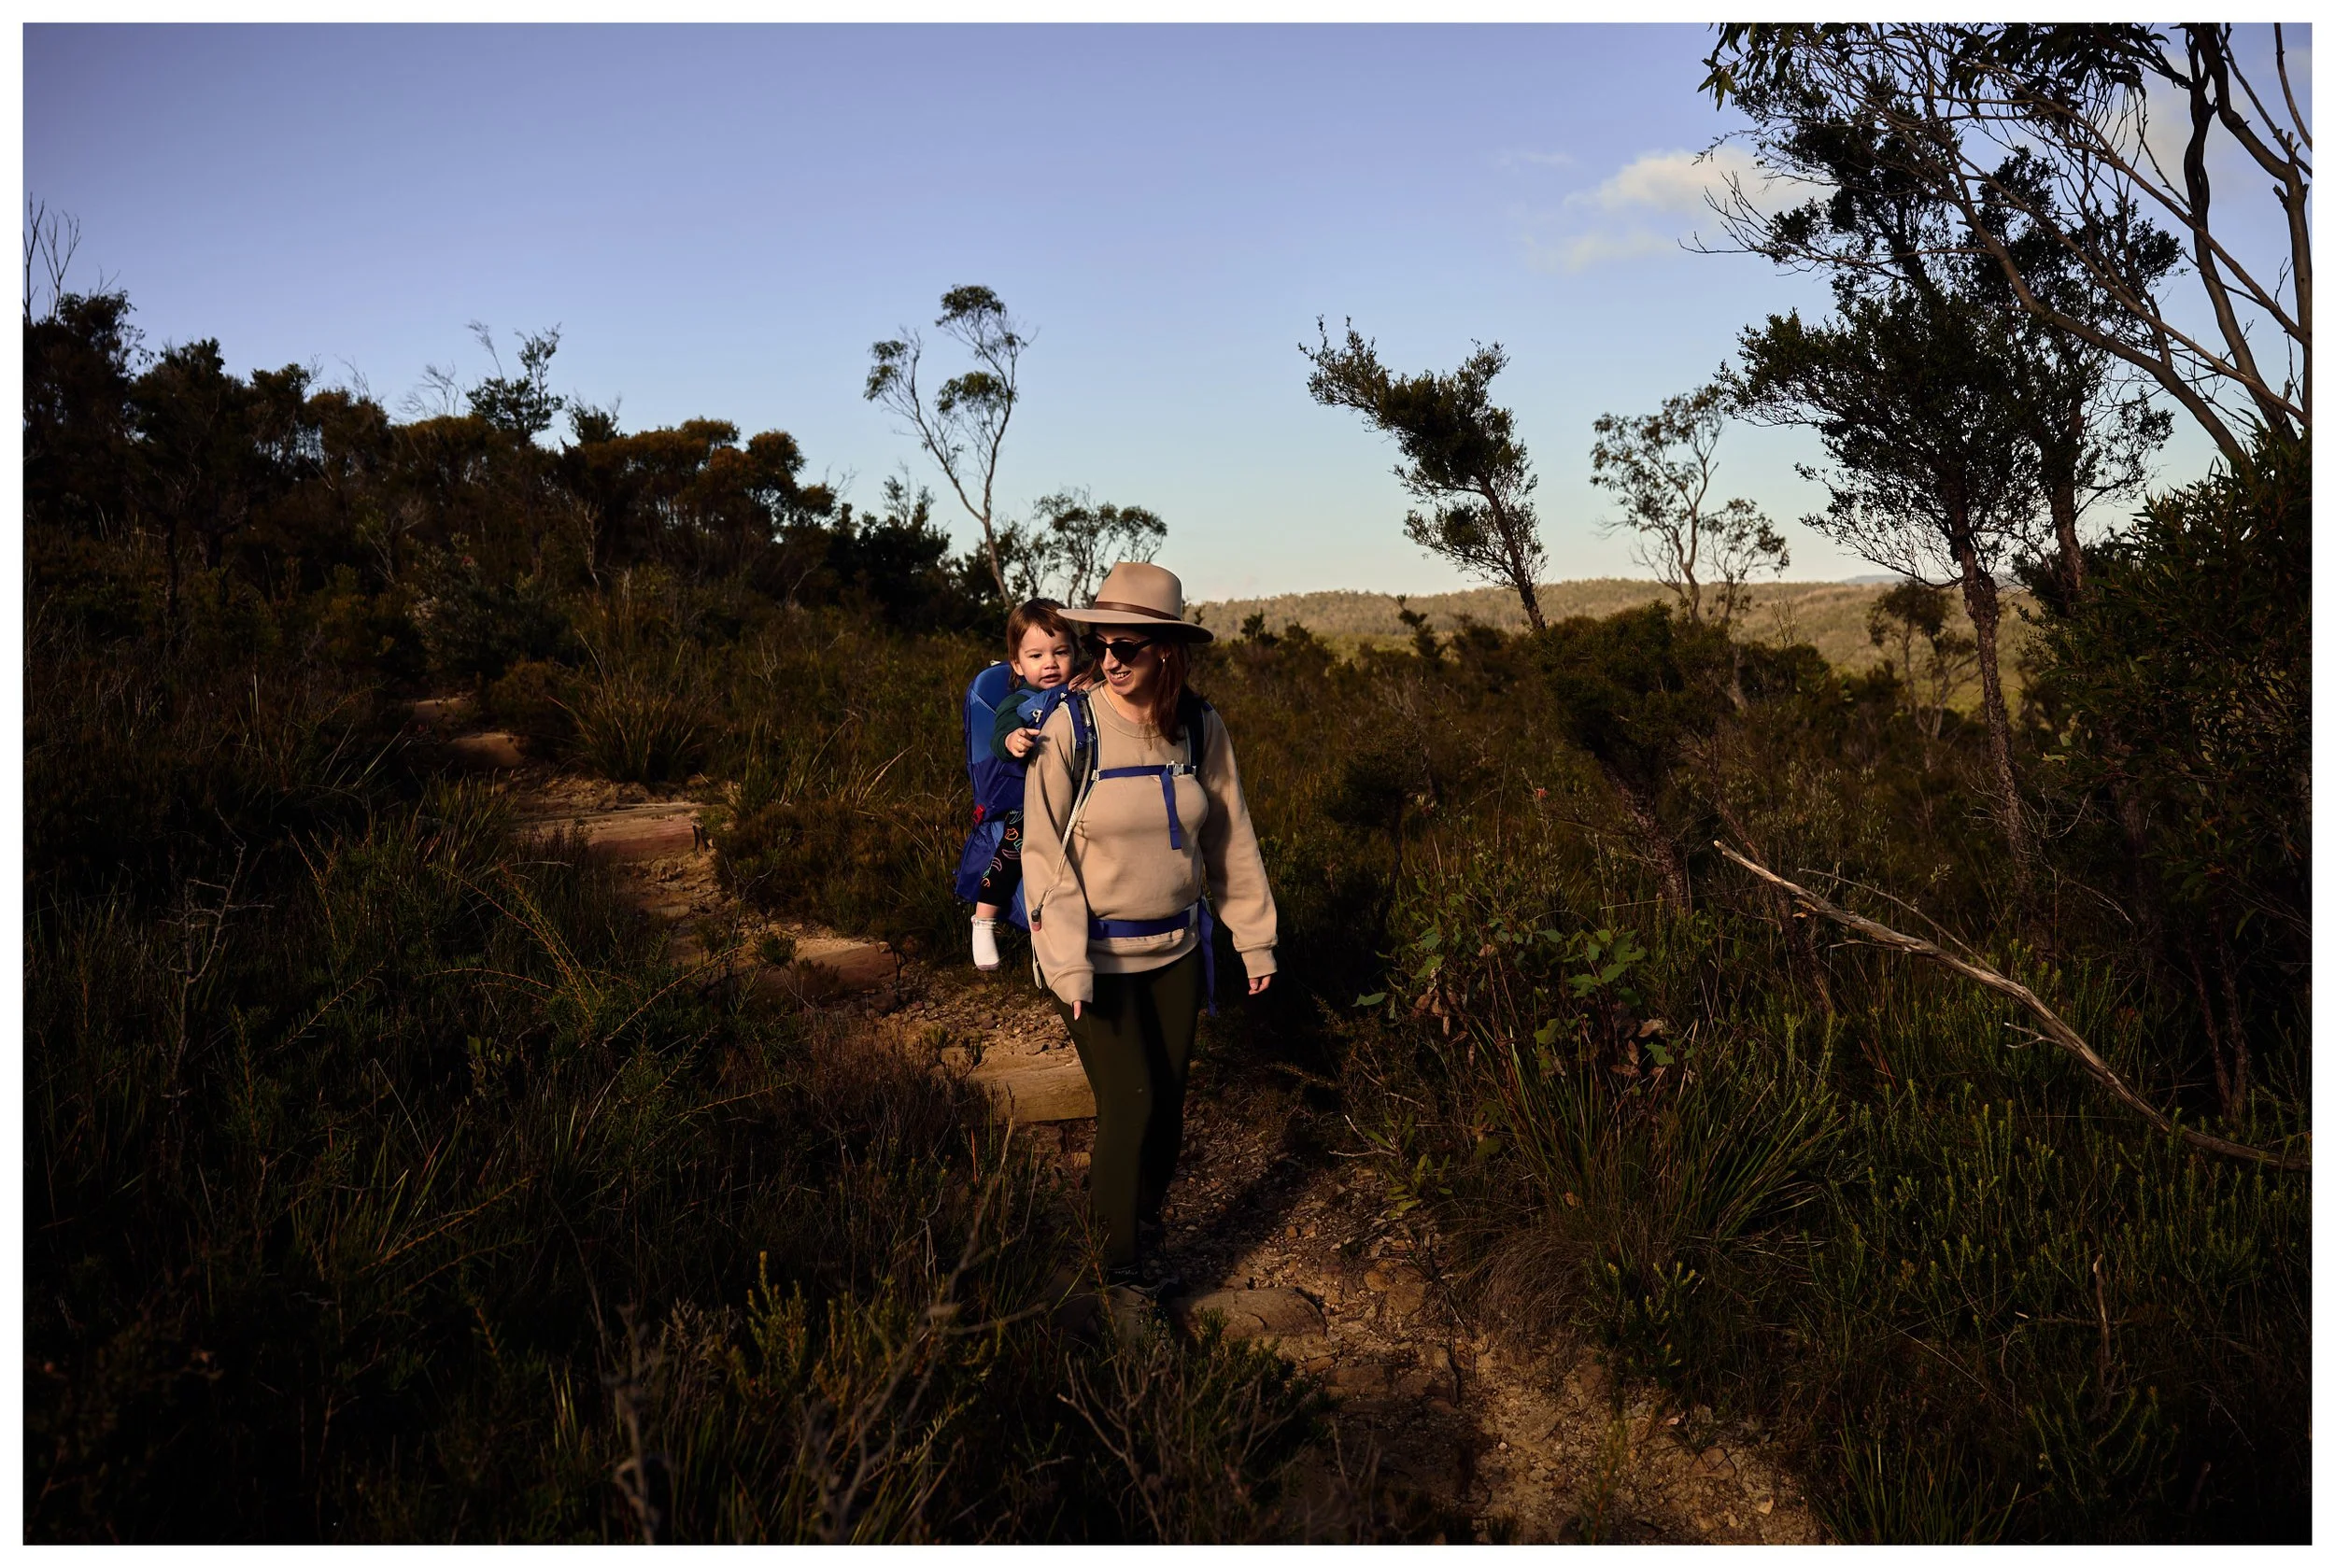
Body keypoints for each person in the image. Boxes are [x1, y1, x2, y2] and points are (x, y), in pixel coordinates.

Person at [1020, 562, 1278, 1285]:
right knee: (1130, 1103)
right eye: (1100, 643)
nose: (1107, 660)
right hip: (1093, 956)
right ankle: (1118, 1276)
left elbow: (1231, 836)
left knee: (1167, 1113)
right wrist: (1067, 961)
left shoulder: (1200, 727)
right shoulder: (1069, 725)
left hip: (1176, 950)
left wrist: (1253, 937)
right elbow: (1042, 855)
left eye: (1125, 647)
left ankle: (1138, 1225)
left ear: (1167, 648)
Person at [969, 600, 1082, 971]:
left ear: (1074, 654)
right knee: (1012, 850)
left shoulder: (1084, 692)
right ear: (1017, 664)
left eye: (1060, 652)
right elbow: (1000, 736)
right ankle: (984, 921)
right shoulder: (1017, 702)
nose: (1049, 662)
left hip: (1081, 797)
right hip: (1030, 800)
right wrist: (1013, 739)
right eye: (1036, 655)